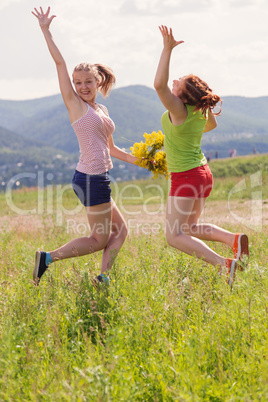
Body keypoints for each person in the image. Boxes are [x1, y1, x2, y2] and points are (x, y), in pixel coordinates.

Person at [32, 7, 138, 285]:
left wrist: (145, 161)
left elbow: (112, 149)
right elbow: (59, 64)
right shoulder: (75, 105)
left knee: (121, 231)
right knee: (98, 239)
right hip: (90, 178)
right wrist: (46, 30)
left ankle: (103, 278)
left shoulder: (100, 109)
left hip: (98, 176)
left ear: (97, 81)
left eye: (87, 81)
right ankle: (47, 258)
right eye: (78, 83)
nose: (82, 86)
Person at [154, 26, 249, 287]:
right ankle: (233, 239)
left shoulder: (179, 110)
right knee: (190, 229)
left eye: (179, 83)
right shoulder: (198, 110)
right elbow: (212, 126)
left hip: (186, 175)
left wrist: (167, 49)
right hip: (202, 173)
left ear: (182, 97)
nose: (174, 82)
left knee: (173, 236)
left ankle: (223, 265)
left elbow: (158, 85)